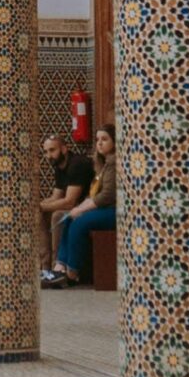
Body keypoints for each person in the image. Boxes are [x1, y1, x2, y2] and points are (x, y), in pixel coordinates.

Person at [45, 124, 117, 289]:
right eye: (98, 139)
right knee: (70, 218)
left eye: (105, 139)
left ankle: (72, 273)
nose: (100, 143)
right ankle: (60, 267)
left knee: (80, 223)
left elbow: (107, 196)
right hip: (102, 208)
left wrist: (81, 209)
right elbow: (92, 195)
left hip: (113, 211)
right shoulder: (102, 164)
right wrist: (76, 210)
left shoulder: (113, 164)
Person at [39, 131, 96, 269]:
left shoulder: (77, 164)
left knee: (58, 215)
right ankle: (44, 266)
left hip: (90, 206)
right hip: (77, 205)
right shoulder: (58, 166)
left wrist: (40, 207)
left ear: (64, 148)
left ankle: (57, 267)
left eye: (52, 150)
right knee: (39, 214)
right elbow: (56, 197)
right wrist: (38, 206)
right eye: (46, 152)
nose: (49, 156)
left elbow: (69, 201)